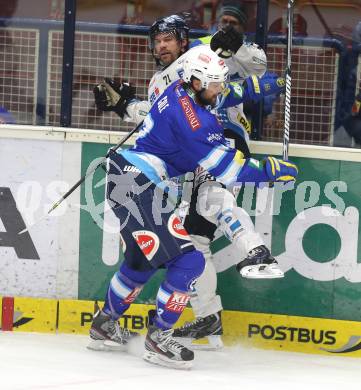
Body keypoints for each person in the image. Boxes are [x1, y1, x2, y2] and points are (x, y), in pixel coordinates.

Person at [88, 45, 298, 369]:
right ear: (197, 82)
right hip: (140, 187)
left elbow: (223, 95)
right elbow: (229, 170)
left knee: (141, 262)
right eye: (215, 84)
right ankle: (159, 339)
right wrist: (271, 170)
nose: (220, 89)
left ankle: (104, 324)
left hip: (127, 178)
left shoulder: (179, 88)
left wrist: (258, 87)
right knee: (190, 261)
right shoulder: (196, 124)